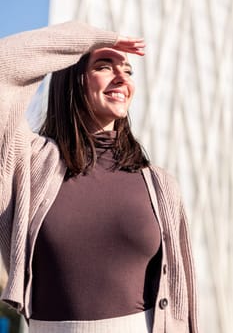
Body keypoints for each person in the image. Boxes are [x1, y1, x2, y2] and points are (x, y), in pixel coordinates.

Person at [0, 21, 199, 333]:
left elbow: (180, 300)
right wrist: (98, 38)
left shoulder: (160, 185)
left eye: (129, 70)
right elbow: (4, 66)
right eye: (105, 66)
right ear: (74, 79)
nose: (121, 76)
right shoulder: (30, 163)